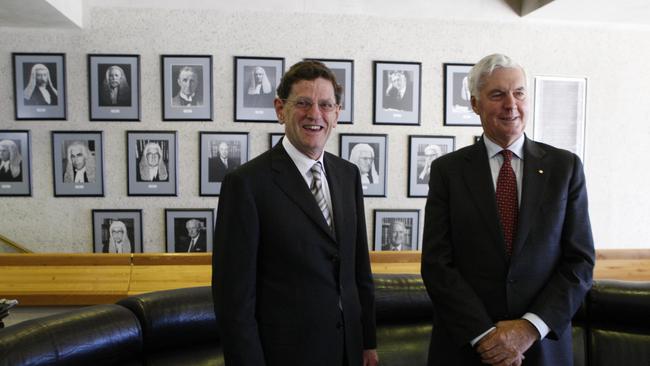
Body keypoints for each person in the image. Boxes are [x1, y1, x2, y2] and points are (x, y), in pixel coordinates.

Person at [420, 54, 595, 366]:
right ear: (475, 104)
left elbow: (579, 262)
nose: (511, 104)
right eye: (497, 94)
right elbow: (437, 264)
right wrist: (485, 335)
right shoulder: (448, 171)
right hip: (467, 349)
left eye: (519, 93)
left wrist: (529, 328)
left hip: (542, 349)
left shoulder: (564, 168)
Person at [213, 60, 378, 366]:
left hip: (349, 352)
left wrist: (367, 342)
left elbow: (358, 271)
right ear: (280, 109)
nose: (315, 114)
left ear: (337, 114)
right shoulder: (246, 184)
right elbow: (233, 301)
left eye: (326, 105)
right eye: (303, 103)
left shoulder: (348, 176)